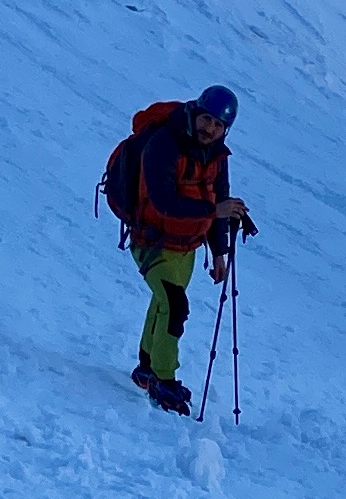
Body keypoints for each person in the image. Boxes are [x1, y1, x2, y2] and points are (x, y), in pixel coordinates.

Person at [106, 84, 253, 411]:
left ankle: (146, 368)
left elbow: (220, 198)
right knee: (174, 305)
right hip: (151, 239)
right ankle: (164, 379)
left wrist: (218, 252)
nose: (210, 129)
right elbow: (163, 202)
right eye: (206, 120)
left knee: (164, 304)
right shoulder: (163, 144)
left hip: (187, 245)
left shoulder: (217, 155)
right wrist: (216, 212)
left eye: (218, 125)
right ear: (195, 113)